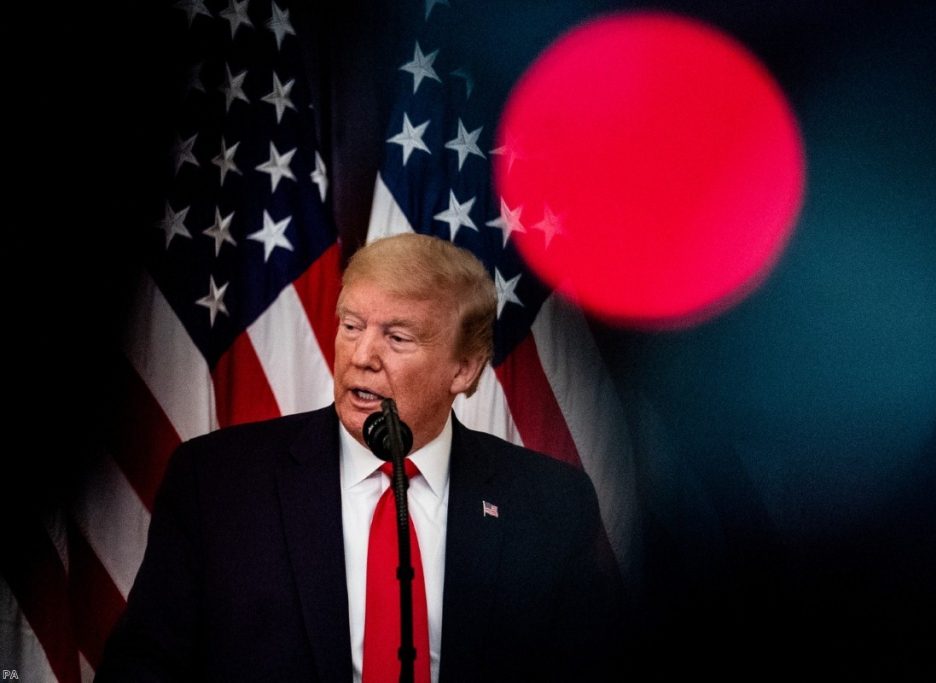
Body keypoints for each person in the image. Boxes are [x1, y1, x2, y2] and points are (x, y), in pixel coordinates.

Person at [96, 233, 623, 682]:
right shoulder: (217, 483)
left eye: (396, 337)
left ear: (463, 370)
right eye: (351, 326)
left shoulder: (550, 503)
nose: (361, 356)